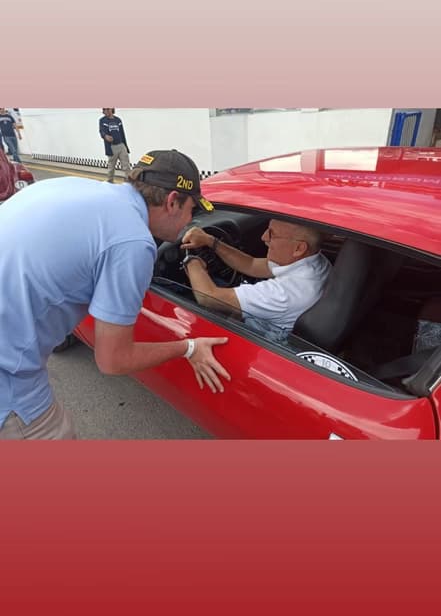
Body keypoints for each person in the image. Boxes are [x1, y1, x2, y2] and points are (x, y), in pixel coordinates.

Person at [0, 149, 230, 440]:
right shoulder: (133, 241)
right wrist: (189, 348)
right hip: (9, 387)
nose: (190, 221)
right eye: (191, 210)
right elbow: (113, 360)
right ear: (173, 201)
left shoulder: (69, 187)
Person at [181, 220, 331, 341]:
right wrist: (211, 241)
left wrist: (191, 260)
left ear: (299, 248)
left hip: (258, 338)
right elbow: (251, 264)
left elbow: (208, 297)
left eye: (272, 234)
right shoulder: (316, 262)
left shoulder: (282, 294)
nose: (264, 237)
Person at [99, 108, 131, 182]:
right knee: (111, 167)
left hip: (121, 145)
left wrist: (125, 146)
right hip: (111, 147)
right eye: (104, 109)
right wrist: (105, 136)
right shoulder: (102, 120)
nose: (106, 111)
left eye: (108, 109)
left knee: (126, 166)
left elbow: (122, 133)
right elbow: (101, 131)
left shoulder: (118, 120)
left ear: (112, 109)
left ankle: (129, 182)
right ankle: (110, 182)